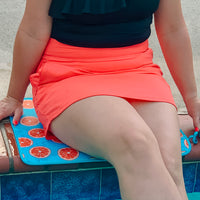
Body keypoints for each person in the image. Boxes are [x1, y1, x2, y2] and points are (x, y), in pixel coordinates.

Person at [0, 0, 199, 199]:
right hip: (68, 74)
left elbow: (173, 29)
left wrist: (193, 101)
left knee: (169, 160)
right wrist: (14, 96)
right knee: (137, 143)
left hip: (139, 71)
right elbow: (32, 31)